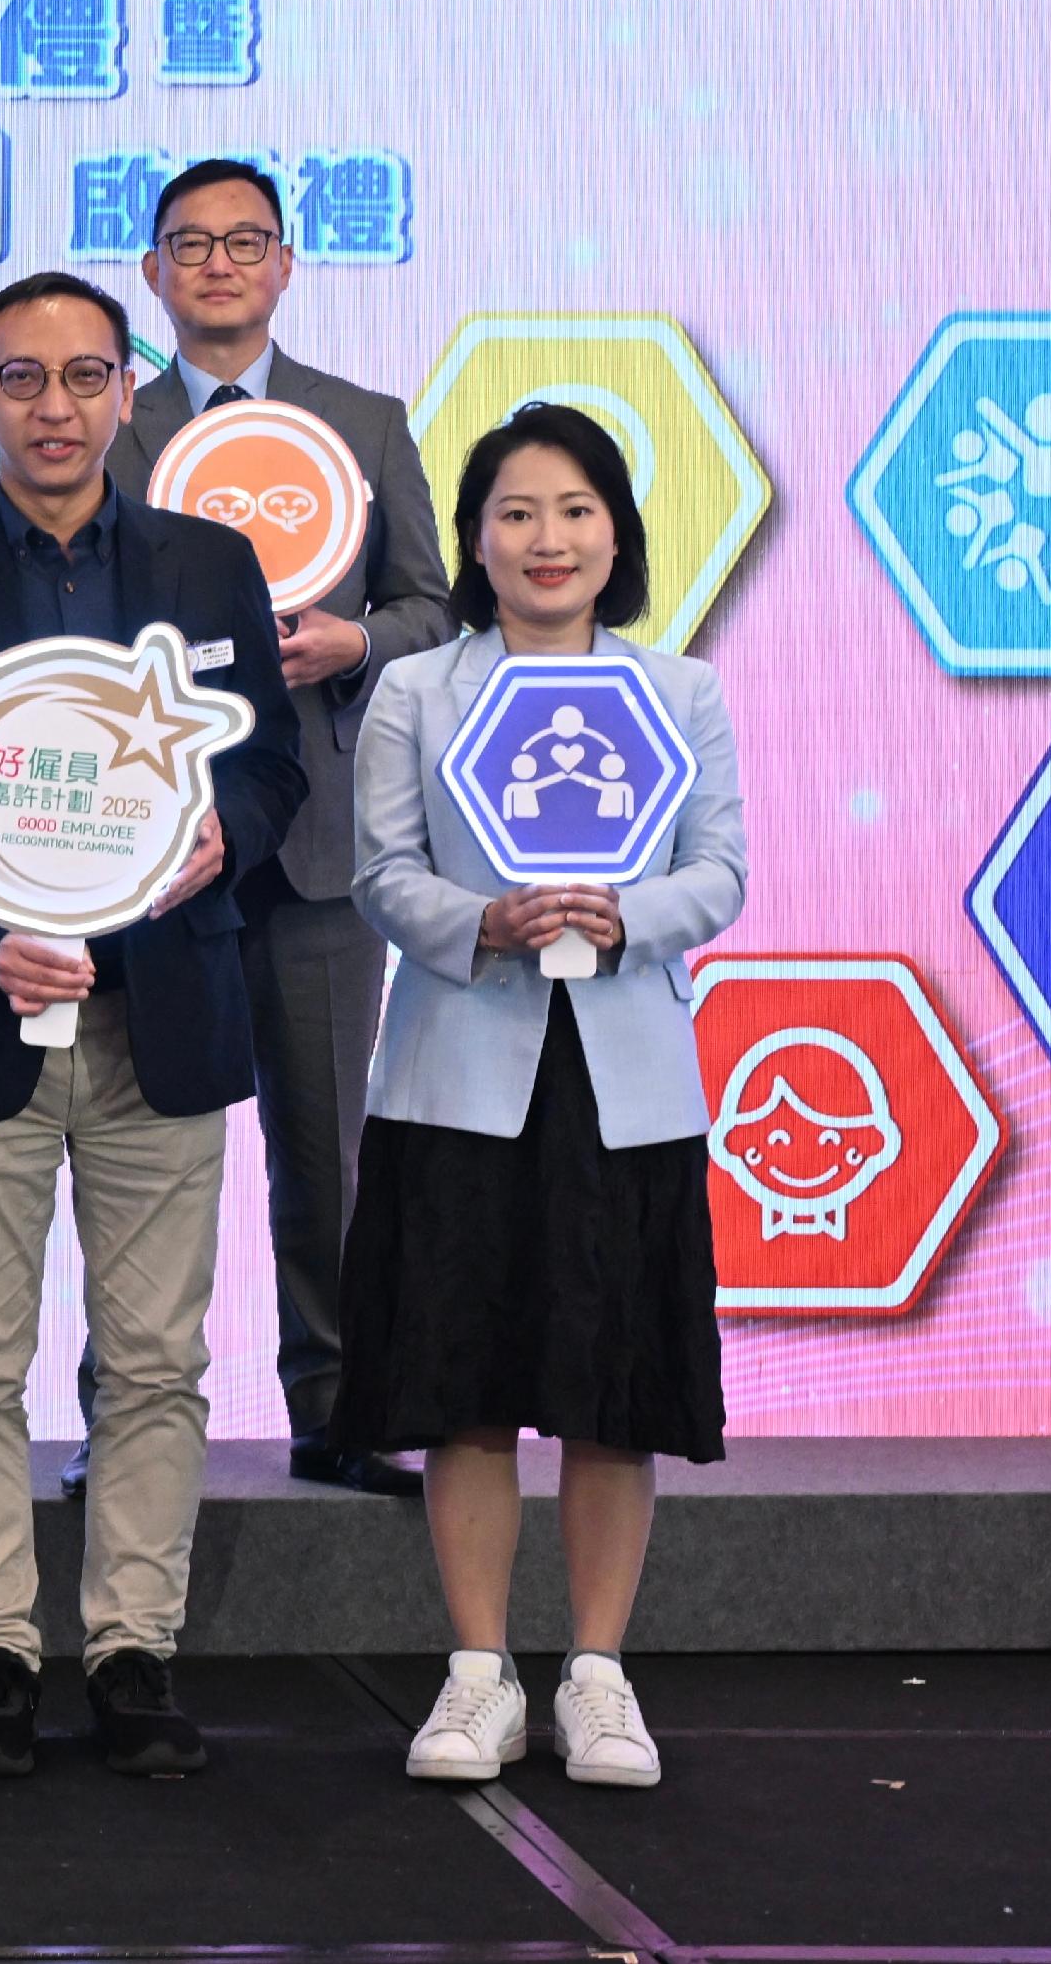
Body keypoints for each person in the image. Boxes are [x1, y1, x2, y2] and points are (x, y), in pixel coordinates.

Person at [0, 270, 300, 1782]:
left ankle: (131, 1649)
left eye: (84, 376)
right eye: (21, 380)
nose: (55, 407)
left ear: (127, 391)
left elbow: (272, 769)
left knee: (155, 1358)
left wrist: (221, 836)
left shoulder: (208, 564)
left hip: (164, 1013)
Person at [339, 403, 746, 1792]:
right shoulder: (417, 691)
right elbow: (381, 875)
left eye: (575, 510)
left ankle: (598, 1676)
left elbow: (725, 870)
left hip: (626, 1080)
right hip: (459, 1072)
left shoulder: (679, 690)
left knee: (612, 1386)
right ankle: (473, 1676)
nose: (547, 538)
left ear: (617, 532)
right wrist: (479, 921)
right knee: (460, 1381)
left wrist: (628, 914)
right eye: (516, 512)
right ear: (473, 541)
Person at [102, 157, 453, 1498]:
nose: (219, 266)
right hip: (152, 844)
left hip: (312, 850)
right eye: (190, 245)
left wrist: (351, 638)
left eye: (246, 242)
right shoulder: (110, 428)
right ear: (154, 273)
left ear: (287, 262)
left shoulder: (359, 422)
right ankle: (130, 1427)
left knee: (328, 1149)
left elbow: (433, 605)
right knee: (136, 1158)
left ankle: (342, 1408)